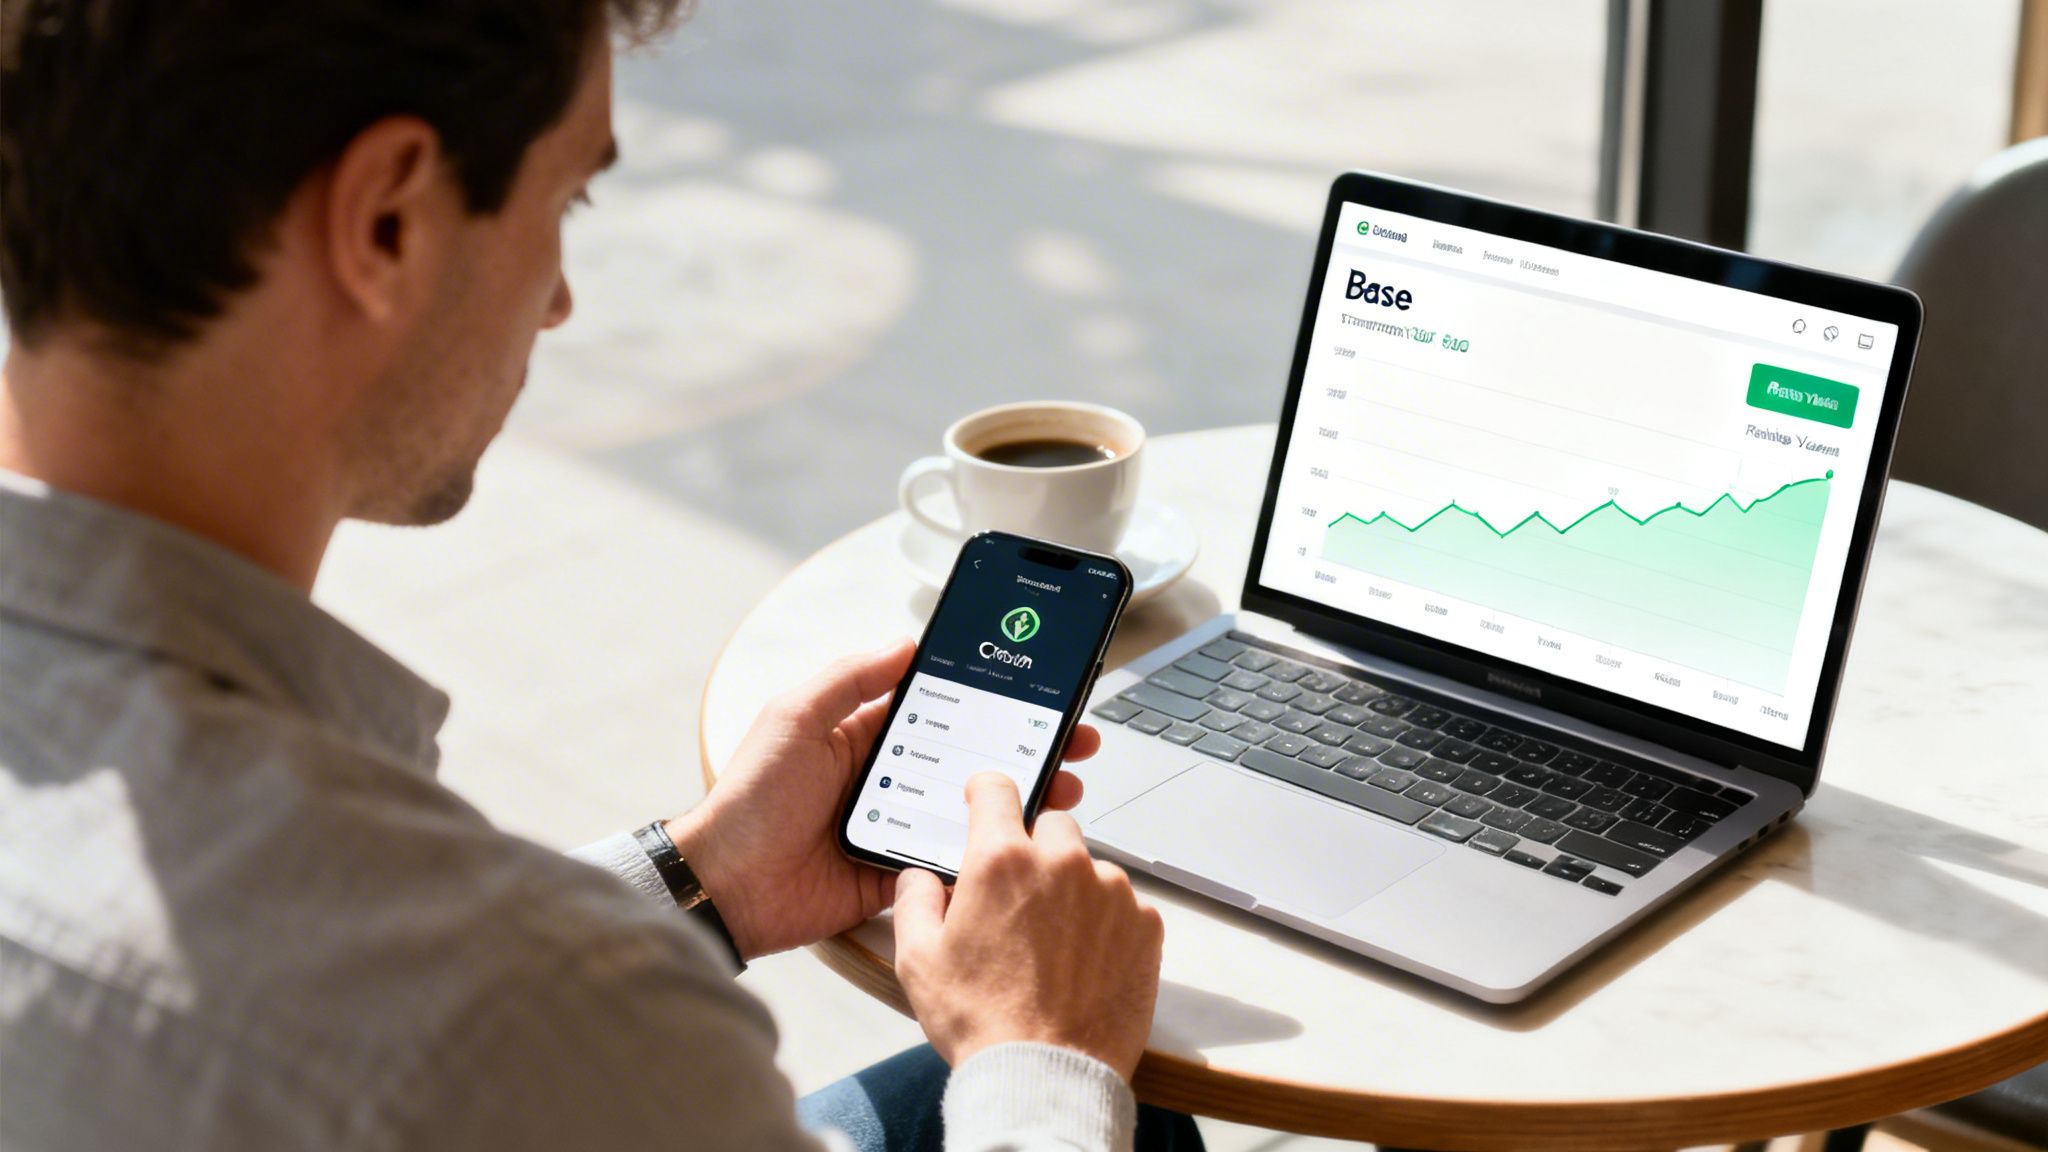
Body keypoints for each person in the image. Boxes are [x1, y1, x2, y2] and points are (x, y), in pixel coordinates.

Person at [0, 2, 1201, 1149]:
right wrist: (1045, 1059)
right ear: (385, 223)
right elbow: (467, 1021)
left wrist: (698, 875)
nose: (561, 299)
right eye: (564, 197)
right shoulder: (548, 1016)